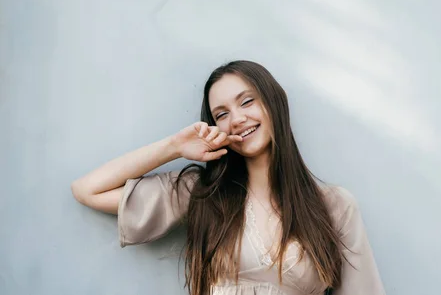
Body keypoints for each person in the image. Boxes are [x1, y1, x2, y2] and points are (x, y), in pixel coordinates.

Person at [71, 60, 385, 295]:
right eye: (221, 114)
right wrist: (173, 147)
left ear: (273, 103)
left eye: (247, 101)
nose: (237, 119)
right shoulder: (202, 193)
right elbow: (88, 190)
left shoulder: (333, 205)